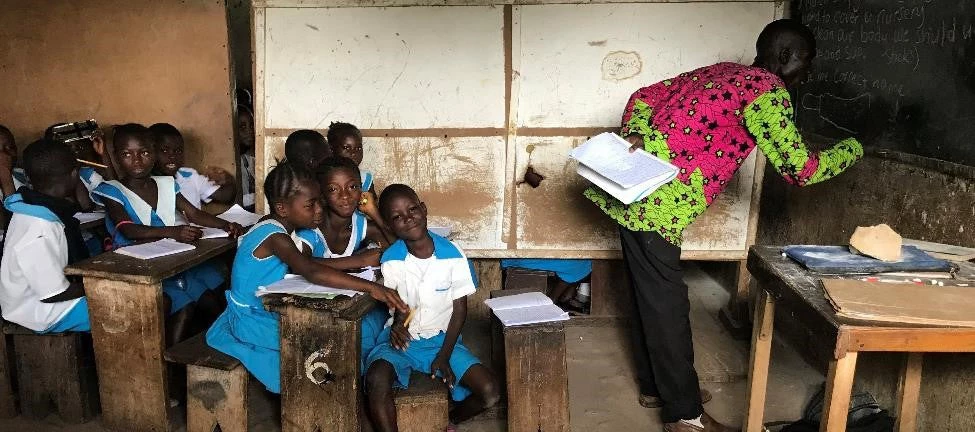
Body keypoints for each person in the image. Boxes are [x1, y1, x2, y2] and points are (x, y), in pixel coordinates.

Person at [582, 19, 864, 432]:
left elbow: (643, 96)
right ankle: (685, 415)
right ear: (785, 56)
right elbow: (801, 169)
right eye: (807, 59)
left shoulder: (721, 72)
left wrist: (638, 135)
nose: (809, 71)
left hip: (629, 193)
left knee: (651, 297)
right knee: (668, 306)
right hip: (658, 206)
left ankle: (656, 387)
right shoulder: (768, 92)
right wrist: (853, 148)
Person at [206, 161, 407, 395]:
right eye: (311, 205)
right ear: (282, 208)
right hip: (252, 318)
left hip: (265, 310)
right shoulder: (273, 235)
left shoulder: (284, 231)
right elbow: (310, 270)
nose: (319, 211)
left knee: (329, 340)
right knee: (323, 346)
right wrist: (371, 287)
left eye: (319, 203)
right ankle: (323, 399)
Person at [364, 184, 500, 432]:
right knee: (375, 378)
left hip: (442, 340)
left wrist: (444, 356)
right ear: (389, 225)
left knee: (489, 392)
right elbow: (399, 305)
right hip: (403, 341)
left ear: (423, 209)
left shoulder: (453, 256)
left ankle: (451, 421)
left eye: (412, 209)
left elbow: (459, 311)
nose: (407, 218)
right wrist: (397, 326)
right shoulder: (392, 259)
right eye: (397, 217)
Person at [93, 123, 243, 344]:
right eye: (127, 154)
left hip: (169, 259)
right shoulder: (112, 190)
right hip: (136, 267)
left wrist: (224, 225)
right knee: (185, 308)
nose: (136, 161)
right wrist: (173, 232)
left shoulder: (166, 184)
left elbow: (192, 213)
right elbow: (128, 229)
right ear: (116, 156)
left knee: (212, 300)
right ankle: (169, 364)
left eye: (144, 153)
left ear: (153, 153)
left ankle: (210, 348)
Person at [298, 156, 395, 369]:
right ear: (321, 194)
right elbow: (300, 264)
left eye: (353, 187)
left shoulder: (359, 224)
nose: (345, 196)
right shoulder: (310, 227)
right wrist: (355, 260)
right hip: (310, 316)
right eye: (333, 189)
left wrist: (374, 212)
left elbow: (397, 246)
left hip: (347, 308)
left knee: (371, 334)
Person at [0, 139, 91, 333]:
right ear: (75, 175)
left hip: (43, 302)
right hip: (39, 313)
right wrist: (98, 286)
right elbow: (52, 294)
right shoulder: (39, 226)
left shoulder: (35, 209)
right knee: (125, 308)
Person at [149, 123, 236, 212]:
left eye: (178, 151)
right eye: (165, 150)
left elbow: (225, 196)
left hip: (197, 225)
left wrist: (229, 180)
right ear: (149, 152)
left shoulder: (189, 176)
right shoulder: (144, 183)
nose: (173, 156)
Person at [327, 122, 375, 192]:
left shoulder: (365, 178)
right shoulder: (326, 177)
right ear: (331, 150)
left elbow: (372, 201)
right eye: (346, 148)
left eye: (358, 148)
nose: (353, 153)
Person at [238, 105, 257, 209]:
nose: (250, 131)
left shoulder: (257, 157)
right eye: (243, 127)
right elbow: (244, 201)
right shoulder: (239, 162)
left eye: (251, 125)